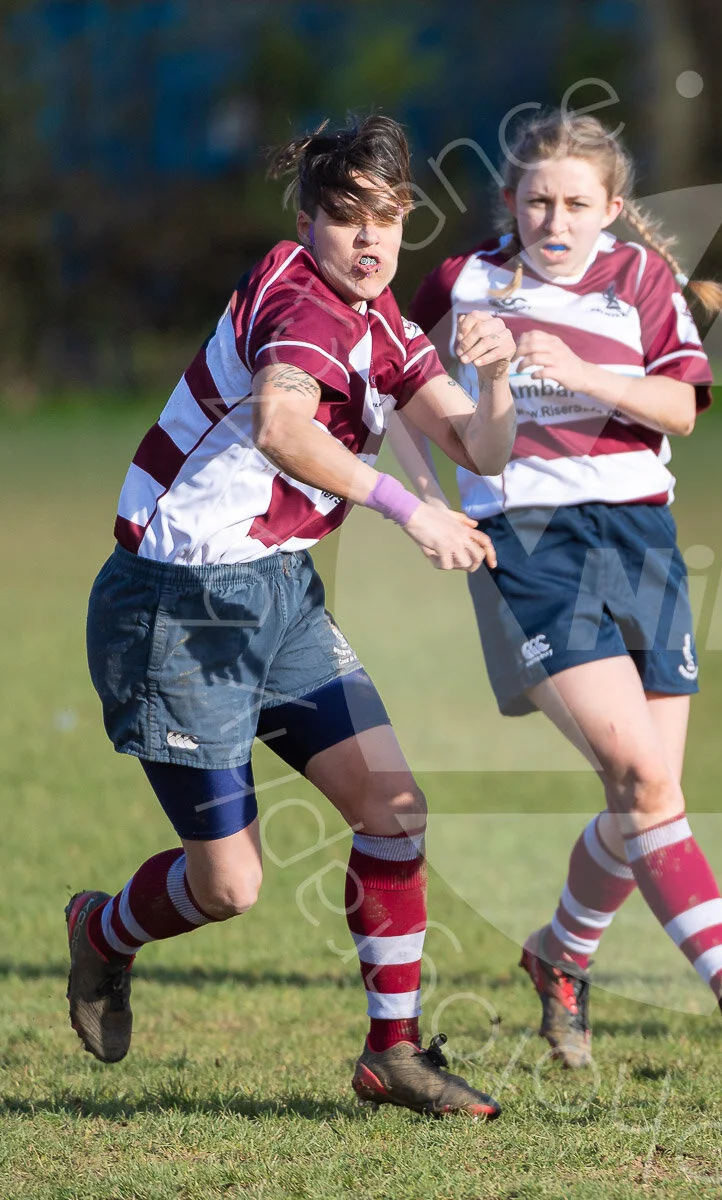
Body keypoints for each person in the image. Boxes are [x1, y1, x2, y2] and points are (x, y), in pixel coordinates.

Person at [68, 114, 519, 1119]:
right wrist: (410, 512)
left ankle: (392, 1055)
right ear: (308, 219)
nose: (369, 240)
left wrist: (494, 377)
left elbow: (484, 451)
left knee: (395, 811)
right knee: (230, 886)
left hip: (278, 597)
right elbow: (282, 424)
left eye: (388, 218)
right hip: (177, 606)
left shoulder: (387, 323)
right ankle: (103, 932)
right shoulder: (298, 295)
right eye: (347, 217)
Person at [405, 111, 722, 1070]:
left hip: (640, 535)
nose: (556, 219)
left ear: (613, 208)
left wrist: (583, 371)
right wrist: (422, 502)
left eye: (578, 202)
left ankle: (559, 959)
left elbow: (683, 410)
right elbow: (392, 387)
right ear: (509, 202)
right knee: (646, 779)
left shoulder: (643, 281)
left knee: (646, 795)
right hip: (528, 543)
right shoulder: (463, 282)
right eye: (538, 200)